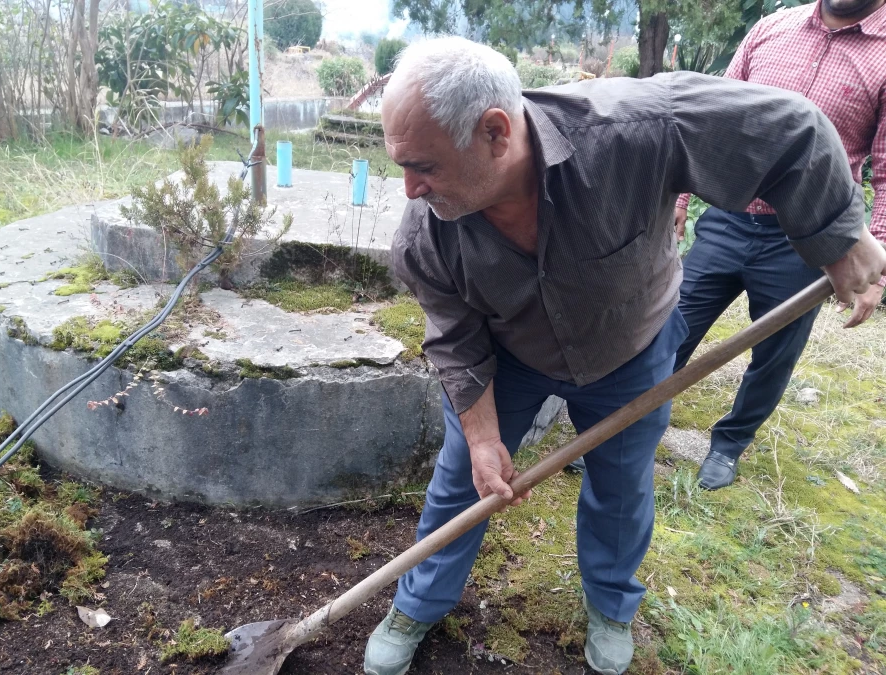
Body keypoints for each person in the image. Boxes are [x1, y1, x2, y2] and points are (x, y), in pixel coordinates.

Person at [364, 37, 886, 675]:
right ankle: (417, 604)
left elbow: (790, 128)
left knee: (620, 487)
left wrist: (840, 234)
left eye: (424, 166)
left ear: (495, 133)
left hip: (630, 348)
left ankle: (611, 607)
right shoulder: (424, 235)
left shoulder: (635, 130)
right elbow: (452, 337)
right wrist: (480, 437)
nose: (410, 189)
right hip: (509, 356)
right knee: (462, 482)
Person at [674, 0, 886, 491]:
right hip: (729, 218)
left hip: (808, 239)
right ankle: (625, 429)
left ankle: (729, 444)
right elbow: (712, 115)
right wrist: (680, 195)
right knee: (670, 326)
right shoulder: (773, 27)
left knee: (775, 352)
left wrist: (876, 270)